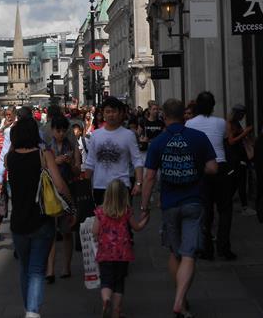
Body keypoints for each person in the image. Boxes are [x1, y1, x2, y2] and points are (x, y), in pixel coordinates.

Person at [142, 99, 218, 317]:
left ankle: (181, 301)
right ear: (184, 116)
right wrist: (198, 167)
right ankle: (180, 300)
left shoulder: (158, 142)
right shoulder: (198, 138)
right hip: (194, 201)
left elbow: (149, 177)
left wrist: (145, 206)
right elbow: (213, 167)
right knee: (189, 254)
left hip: (169, 204)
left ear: (164, 117)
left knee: (175, 253)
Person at [6, 117, 73, 318]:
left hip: (18, 221)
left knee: (24, 268)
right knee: (36, 270)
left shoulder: (10, 157)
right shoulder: (44, 155)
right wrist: (71, 206)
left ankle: (30, 309)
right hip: (42, 219)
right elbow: (60, 185)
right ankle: (32, 312)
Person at [185, 91, 236, 260]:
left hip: (202, 169)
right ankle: (224, 247)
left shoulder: (190, 124)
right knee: (225, 210)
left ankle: (206, 248)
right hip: (220, 166)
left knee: (205, 210)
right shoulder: (221, 122)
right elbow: (226, 140)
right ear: (213, 106)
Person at [92, 179, 148, 318]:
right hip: (123, 253)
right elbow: (137, 227)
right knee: (119, 282)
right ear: (124, 196)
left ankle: (106, 300)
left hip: (105, 253)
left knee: (106, 280)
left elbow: (95, 231)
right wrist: (144, 220)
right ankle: (116, 311)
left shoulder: (100, 211)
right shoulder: (126, 211)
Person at [85, 97, 144, 208]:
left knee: (122, 222)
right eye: (108, 112)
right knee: (102, 222)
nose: (111, 115)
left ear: (121, 113)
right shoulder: (96, 135)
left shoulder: (128, 135)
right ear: (103, 113)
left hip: (121, 186)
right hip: (100, 186)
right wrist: (86, 185)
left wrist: (139, 183)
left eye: (114, 111)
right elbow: (90, 162)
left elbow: (137, 160)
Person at [45, 115, 80, 283]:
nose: (60, 133)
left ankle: (66, 266)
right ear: (52, 130)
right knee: (50, 232)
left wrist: (71, 164)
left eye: (63, 130)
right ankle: (50, 269)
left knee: (67, 232)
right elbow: (43, 169)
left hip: (68, 191)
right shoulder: (47, 148)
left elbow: (77, 170)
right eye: (57, 130)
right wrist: (55, 161)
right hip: (51, 193)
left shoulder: (72, 146)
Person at [226, 104, 256, 216]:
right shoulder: (229, 124)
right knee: (239, 181)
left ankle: (229, 202)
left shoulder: (237, 124)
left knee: (239, 181)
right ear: (237, 113)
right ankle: (244, 207)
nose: (243, 116)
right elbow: (231, 141)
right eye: (242, 114)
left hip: (240, 156)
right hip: (235, 157)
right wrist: (245, 133)